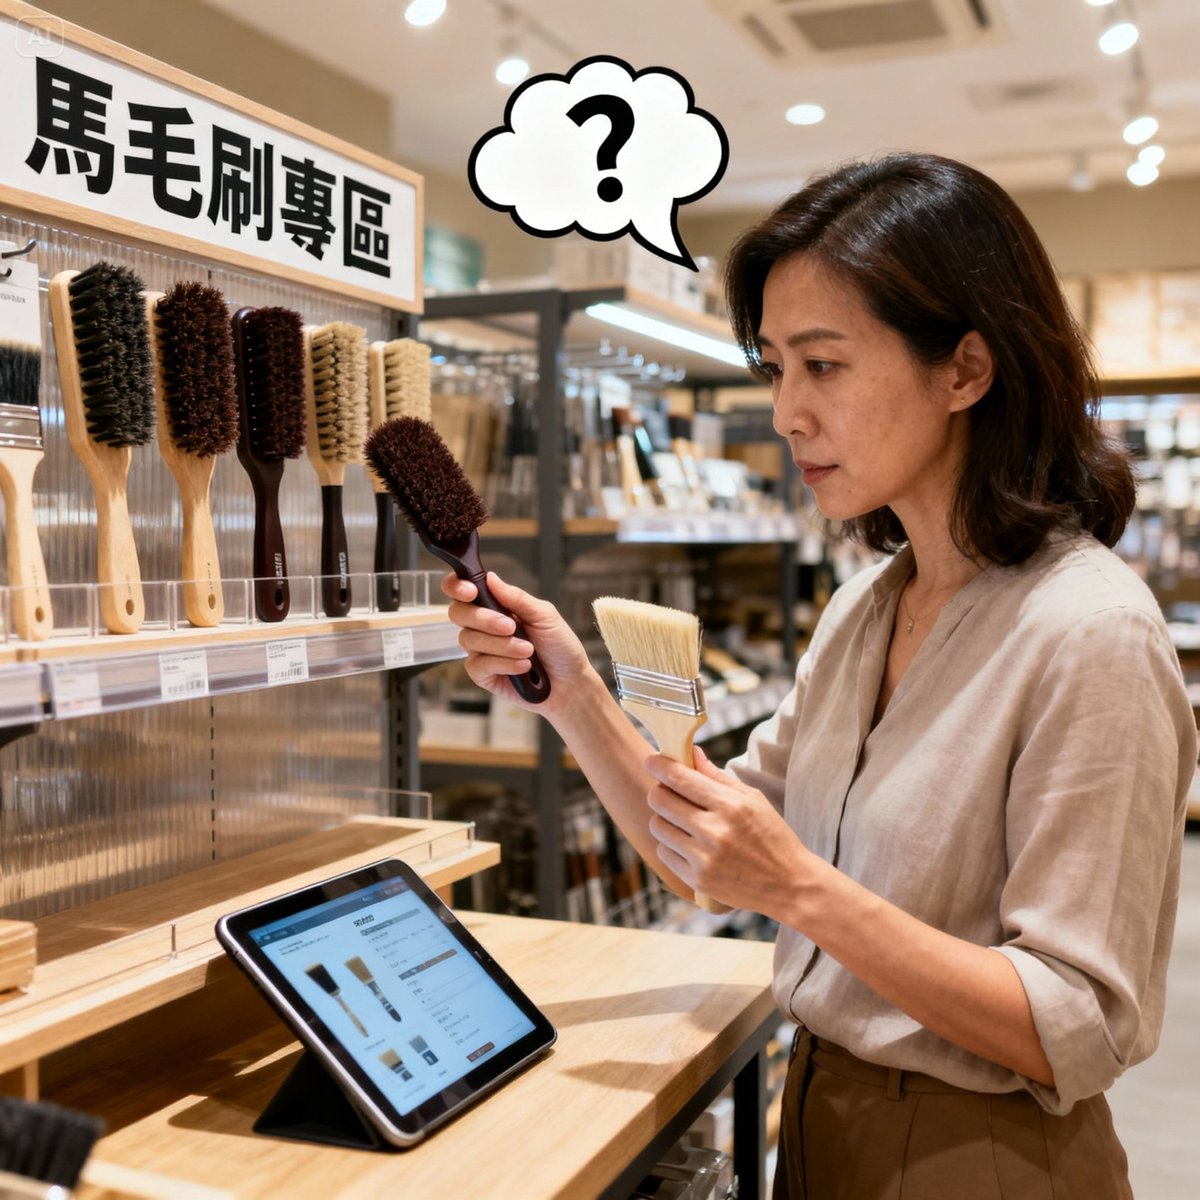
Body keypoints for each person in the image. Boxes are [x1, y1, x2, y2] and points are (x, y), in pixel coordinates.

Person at [441, 152, 1197, 1198]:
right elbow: (701, 851)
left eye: (824, 365)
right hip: (819, 1117)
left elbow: (1072, 1022)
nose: (787, 412)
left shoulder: (1089, 634)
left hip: (980, 1159)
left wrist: (798, 886)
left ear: (965, 371)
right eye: (773, 368)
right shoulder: (866, 608)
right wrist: (568, 685)